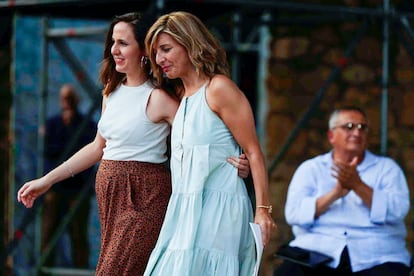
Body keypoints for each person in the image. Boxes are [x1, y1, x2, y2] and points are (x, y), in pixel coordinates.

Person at [17, 12, 250, 276]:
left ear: (143, 49)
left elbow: (201, 132)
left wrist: (236, 159)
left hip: (145, 195)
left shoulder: (160, 98)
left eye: (123, 43)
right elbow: (97, 147)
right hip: (111, 198)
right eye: (113, 42)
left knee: (113, 271)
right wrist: (47, 180)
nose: (114, 50)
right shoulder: (110, 91)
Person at [143, 11, 276, 275]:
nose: (159, 59)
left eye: (166, 49)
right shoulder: (183, 96)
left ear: (190, 43)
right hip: (184, 212)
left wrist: (263, 211)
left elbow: (253, 151)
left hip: (219, 211)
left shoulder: (218, 89)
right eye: (157, 52)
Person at [274, 106, 411, 276]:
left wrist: (358, 185)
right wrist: (335, 194)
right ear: (331, 136)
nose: (356, 133)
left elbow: (398, 211)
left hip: (376, 254)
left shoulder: (387, 169)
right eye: (349, 127)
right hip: (317, 252)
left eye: (362, 127)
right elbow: (294, 214)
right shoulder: (311, 168)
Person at [41, 83, 96, 269]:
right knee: (48, 233)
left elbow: (88, 151)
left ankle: (80, 270)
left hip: (78, 188)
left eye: (70, 98)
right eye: (64, 98)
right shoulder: (53, 124)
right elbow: (49, 151)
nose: (67, 102)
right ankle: (43, 270)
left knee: (78, 235)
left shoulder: (87, 124)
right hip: (56, 188)